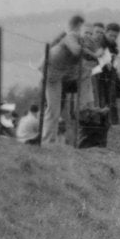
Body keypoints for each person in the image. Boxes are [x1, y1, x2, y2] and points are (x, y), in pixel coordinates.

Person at [42, 14, 85, 144]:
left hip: (57, 75)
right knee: (53, 109)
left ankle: (50, 140)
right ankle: (47, 140)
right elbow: (76, 51)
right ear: (77, 26)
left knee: (56, 109)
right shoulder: (71, 36)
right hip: (53, 74)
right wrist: (88, 48)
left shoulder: (70, 36)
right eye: (82, 29)